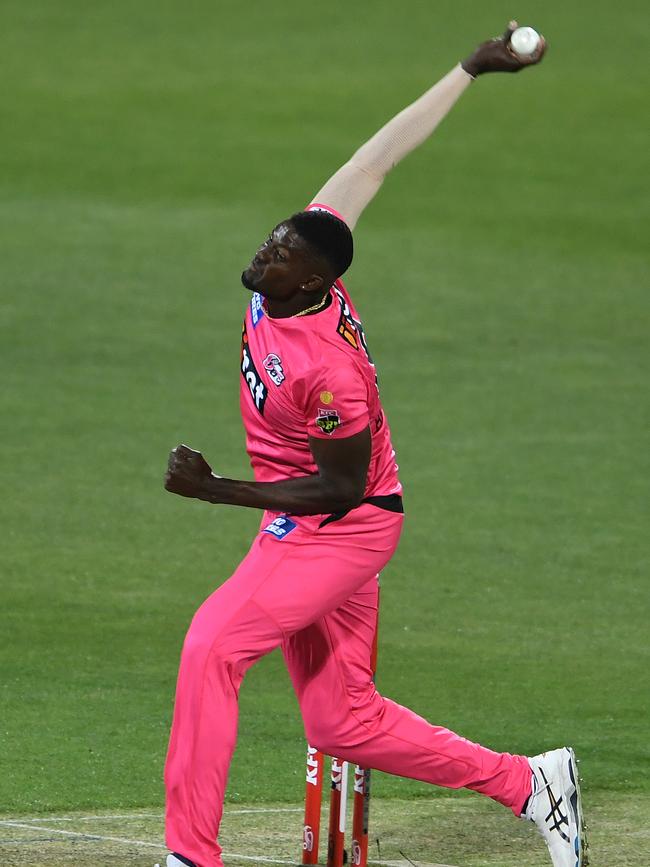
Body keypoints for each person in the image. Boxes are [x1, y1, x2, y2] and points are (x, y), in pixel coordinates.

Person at [159, 22, 586, 867]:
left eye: (282, 253)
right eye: (275, 238)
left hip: (340, 526)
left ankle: (188, 857)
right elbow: (376, 160)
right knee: (339, 719)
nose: (266, 250)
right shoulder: (300, 271)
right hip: (316, 522)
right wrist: (468, 68)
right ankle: (532, 784)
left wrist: (219, 492)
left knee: (212, 644)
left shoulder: (325, 372)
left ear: (314, 279)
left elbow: (339, 491)